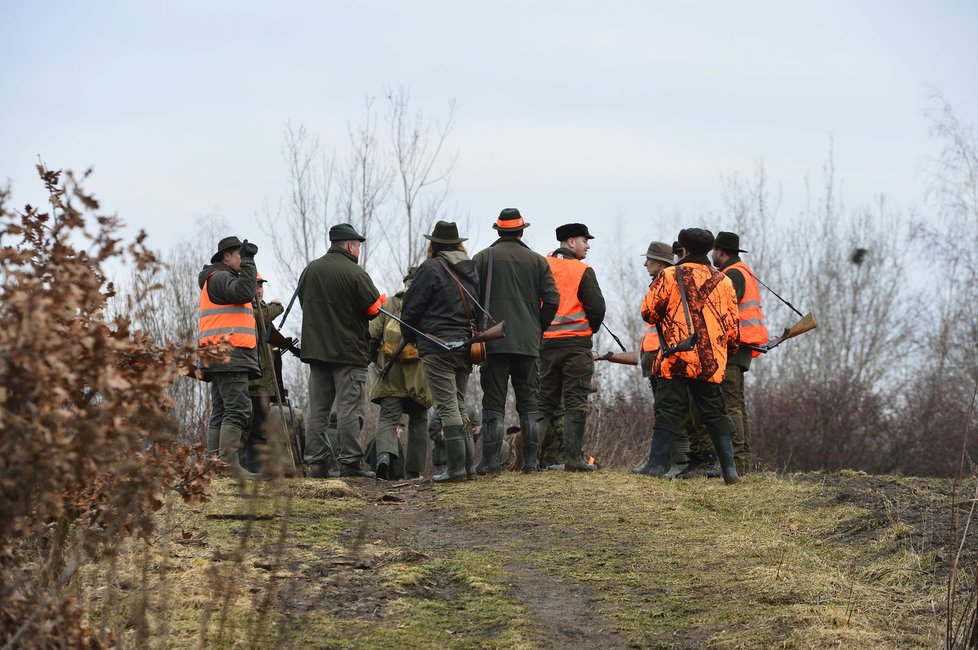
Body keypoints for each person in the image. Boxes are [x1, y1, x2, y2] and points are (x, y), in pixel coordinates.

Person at [632, 227, 741, 484]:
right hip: (709, 359)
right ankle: (730, 469)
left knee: (668, 408)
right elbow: (733, 328)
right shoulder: (724, 281)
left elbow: (648, 313)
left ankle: (656, 465)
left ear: (685, 249)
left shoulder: (670, 275)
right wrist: (723, 355)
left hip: (676, 356)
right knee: (715, 411)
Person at [472, 208, 560, 474]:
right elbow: (553, 300)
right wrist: (536, 327)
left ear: (498, 231)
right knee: (529, 402)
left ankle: (489, 463)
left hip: (493, 341)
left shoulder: (482, 258)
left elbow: (470, 298)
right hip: (527, 344)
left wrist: (478, 328)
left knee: (493, 401)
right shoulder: (537, 261)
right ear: (522, 231)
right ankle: (530, 463)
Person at [299, 223, 385, 479]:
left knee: (318, 411)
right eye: (357, 245)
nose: (358, 250)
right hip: (349, 353)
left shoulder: (310, 270)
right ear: (349, 245)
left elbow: (305, 302)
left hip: (316, 352)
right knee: (349, 409)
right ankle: (350, 464)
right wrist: (380, 300)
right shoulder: (355, 273)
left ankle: (315, 464)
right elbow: (373, 311)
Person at [400, 220, 480, 482]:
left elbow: (410, 309)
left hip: (436, 345)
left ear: (433, 244)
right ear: (458, 245)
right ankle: (467, 468)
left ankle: (456, 468)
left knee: (447, 406)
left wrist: (411, 338)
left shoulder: (430, 268)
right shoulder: (471, 269)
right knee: (458, 403)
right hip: (465, 347)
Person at [538, 223, 606, 471]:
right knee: (576, 401)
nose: (587, 245)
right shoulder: (582, 270)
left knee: (544, 403)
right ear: (570, 243)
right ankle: (574, 460)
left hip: (545, 344)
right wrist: (590, 328)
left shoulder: (542, 265)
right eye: (584, 240)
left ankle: (531, 460)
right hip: (576, 344)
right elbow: (597, 307)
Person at [197, 236, 261, 479]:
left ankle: (216, 466)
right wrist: (250, 261)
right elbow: (246, 291)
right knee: (238, 409)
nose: (241, 259)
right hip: (229, 354)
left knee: (222, 409)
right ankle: (228, 468)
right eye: (238, 255)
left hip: (220, 355)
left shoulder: (216, 279)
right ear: (227, 257)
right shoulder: (221, 278)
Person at [711, 231, 769, 474]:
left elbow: (721, 312)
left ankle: (735, 463)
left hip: (733, 347)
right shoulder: (742, 271)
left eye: (714, 251)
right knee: (737, 405)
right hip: (743, 346)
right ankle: (740, 462)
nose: (712, 255)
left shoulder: (732, 275)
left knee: (730, 405)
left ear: (721, 252)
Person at [368, 267, 432, 480]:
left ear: (405, 284)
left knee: (388, 419)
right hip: (419, 375)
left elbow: (372, 334)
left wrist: (371, 359)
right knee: (419, 421)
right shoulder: (430, 305)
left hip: (391, 372)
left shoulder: (389, 304)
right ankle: (413, 471)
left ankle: (384, 457)